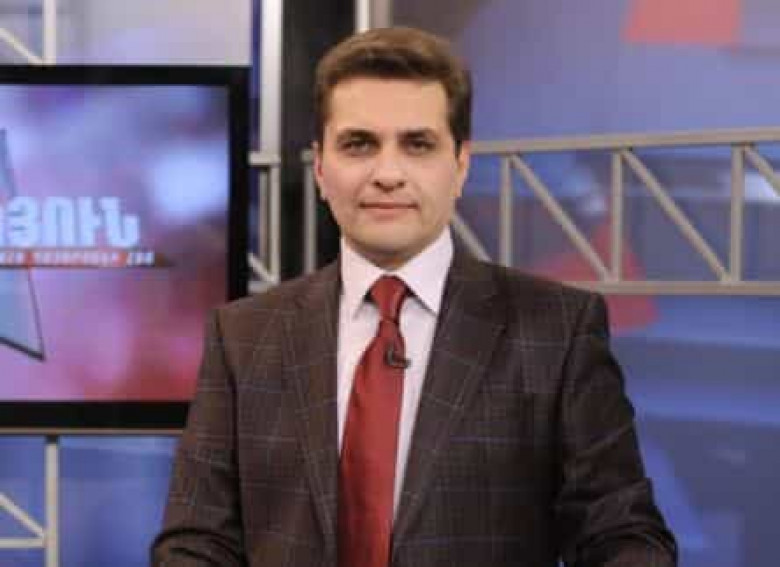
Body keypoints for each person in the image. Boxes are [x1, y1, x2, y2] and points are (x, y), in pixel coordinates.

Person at [152, 26, 677, 567]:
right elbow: (196, 542)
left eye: (417, 145)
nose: (388, 174)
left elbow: (623, 535)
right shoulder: (243, 336)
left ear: (461, 165)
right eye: (359, 144)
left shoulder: (557, 331)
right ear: (321, 168)